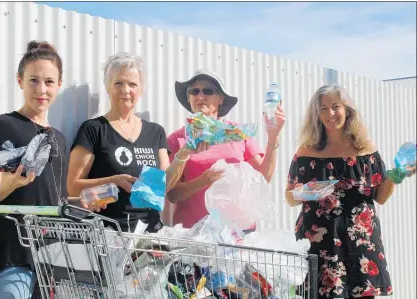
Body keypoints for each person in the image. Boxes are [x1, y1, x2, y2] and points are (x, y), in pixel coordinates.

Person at [285, 85, 415, 298]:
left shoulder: (366, 148)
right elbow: (289, 197)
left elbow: (380, 197)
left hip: (360, 243)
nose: (330, 114)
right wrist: (307, 193)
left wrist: (396, 175)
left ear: (347, 109)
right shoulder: (306, 150)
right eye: (323, 109)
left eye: (335, 107)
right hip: (319, 241)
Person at [67, 52, 192, 232]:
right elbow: (72, 187)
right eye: (118, 83)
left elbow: (164, 186)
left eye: (132, 84)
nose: (125, 90)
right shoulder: (94, 129)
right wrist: (113, 181)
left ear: (141, 89)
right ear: (107, 86)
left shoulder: (155, 132)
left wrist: (183, 155)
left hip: (149, 236)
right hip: (107, 236)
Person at [167, 69, 286, 228]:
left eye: (208, 91)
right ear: (189, 98)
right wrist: (202, 181)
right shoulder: (177, 139)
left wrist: (273, 138)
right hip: (195, 237)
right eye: (194, 91)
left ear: (221, 99)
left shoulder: (238, 134)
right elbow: (172, 194)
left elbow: (263, 178)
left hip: (237, 233)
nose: (200, 96)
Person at [0, 41, 67, 299]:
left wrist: (85, 200)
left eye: (49, 82)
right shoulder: (4, 126)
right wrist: (14, 182)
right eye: (33, 80)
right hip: (13, 260)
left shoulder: (58, 138)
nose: (42, 89)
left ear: (59, 84)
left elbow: (55, 198)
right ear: (19, 80)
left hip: (52, 262)